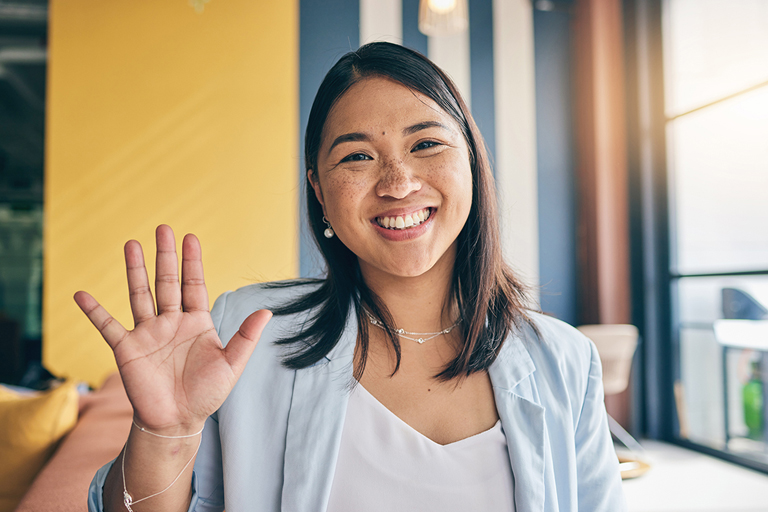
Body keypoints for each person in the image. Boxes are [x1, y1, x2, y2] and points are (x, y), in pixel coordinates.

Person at [78, 42, 626, 512]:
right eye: (358, 156)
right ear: (319, 191)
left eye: (426, 144)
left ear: (472, 164)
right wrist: (166, 433)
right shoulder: (248, 333)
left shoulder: (564, 360)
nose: (398, 182)